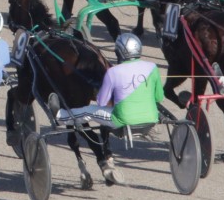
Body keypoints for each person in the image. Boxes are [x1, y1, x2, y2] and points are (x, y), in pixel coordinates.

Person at [51, 33, 164, 185]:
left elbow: (102, 101)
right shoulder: (152, 67)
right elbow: (158, 97)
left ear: (119, 52)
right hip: (151, 119)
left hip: (121, 120)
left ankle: (60, 116)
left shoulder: (113, 72)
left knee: (88, 110)